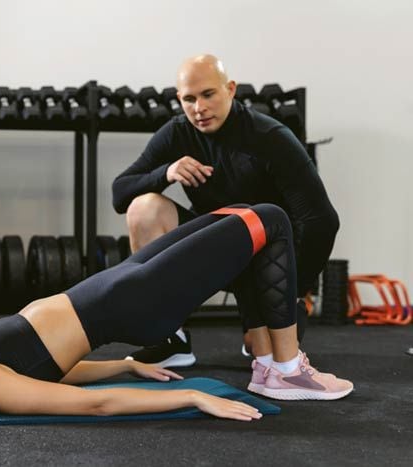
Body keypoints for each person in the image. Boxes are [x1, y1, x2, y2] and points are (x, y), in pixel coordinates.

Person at [0, 204, 353, 420]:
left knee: (239, 218)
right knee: (270, 222)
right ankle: (283, 370)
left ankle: (269, 360)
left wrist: (128, 366)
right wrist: (188, 394)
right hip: (141, 297)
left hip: (125, 280)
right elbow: (90, 405)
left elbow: (56, 366)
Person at [112, 54, 340, 367]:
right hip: (215, 252)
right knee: (143, 208)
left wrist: (293, 293)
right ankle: (169, 338)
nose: (199, 108)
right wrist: (166, 173)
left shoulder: (270, 137)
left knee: (264, 352)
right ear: (180, 100)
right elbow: (120, 193)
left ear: (230, 89)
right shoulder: (177, 133)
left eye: (208, 95)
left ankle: (270, 320)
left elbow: (322, 221)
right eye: (189, 99)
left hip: (266, 261)